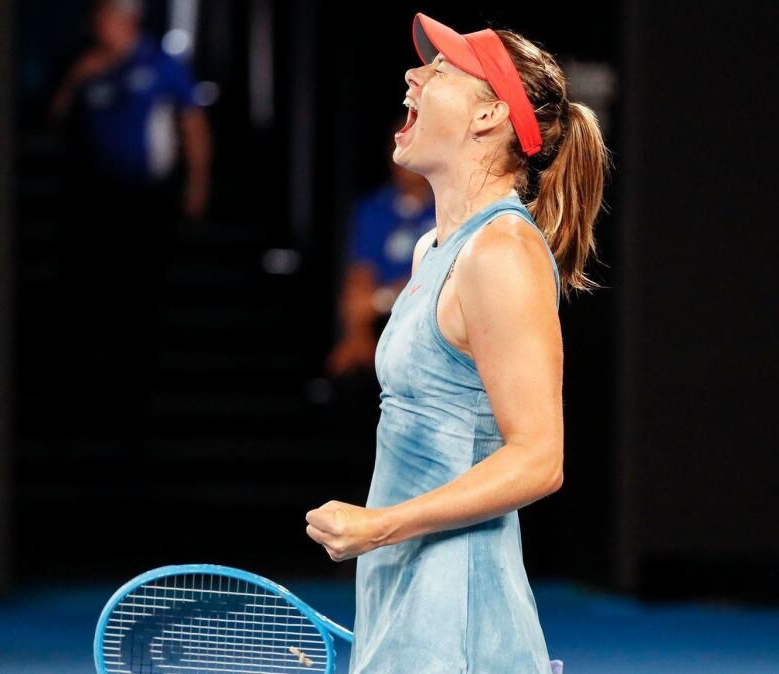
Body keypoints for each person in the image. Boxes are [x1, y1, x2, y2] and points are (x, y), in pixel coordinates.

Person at [305, 12, 609, 673]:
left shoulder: (502, 253)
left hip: (460, 616)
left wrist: (376, 525)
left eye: (439, 71)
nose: (414, 74)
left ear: (488, 117)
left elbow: (538, 460)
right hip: (403, 594)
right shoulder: (433, 251)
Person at [47, 0, 212, 447]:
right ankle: (84, 406)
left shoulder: (160, 64)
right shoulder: (86, 65)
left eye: (104, 17)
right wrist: (77, 79)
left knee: (137, 302)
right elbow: (56, 117)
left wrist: (196, 185)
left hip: (145, 204)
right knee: (86, 301)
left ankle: (132, 410)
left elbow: (192, 123)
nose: (97, 25)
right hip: (94, 205)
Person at [326, 137, 436, 378]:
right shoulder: (375, 208)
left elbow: (437, 277)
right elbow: (360, 274)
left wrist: (384, 297)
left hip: (432, 312)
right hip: (387, 314)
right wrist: (358, 331)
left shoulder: (445, 207)